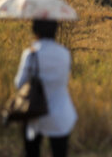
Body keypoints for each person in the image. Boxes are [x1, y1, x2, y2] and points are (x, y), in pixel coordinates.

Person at [15, 20, 77, 157]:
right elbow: (65, 80)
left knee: (32, 151)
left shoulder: (30, 54)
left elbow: (19, 83)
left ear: (35, 32)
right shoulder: (64, 53)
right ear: (55, 31)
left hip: (35, 114)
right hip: (61, 114)